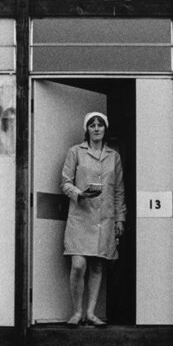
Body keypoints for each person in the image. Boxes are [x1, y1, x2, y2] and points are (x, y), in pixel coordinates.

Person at [60, 111, 126, 327]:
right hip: (81, 215)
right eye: (92, 125)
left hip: (104, 218)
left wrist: (120, 220)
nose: (96, 129)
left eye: (100, 125)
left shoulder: (113, 156)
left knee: (98, 265)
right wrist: (79, 194)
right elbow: (65, 182)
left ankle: (90, 312)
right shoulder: (75, 152)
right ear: (86, 129)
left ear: (105, 129)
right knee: (78, 265)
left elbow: (118, 191)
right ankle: (76, 311)